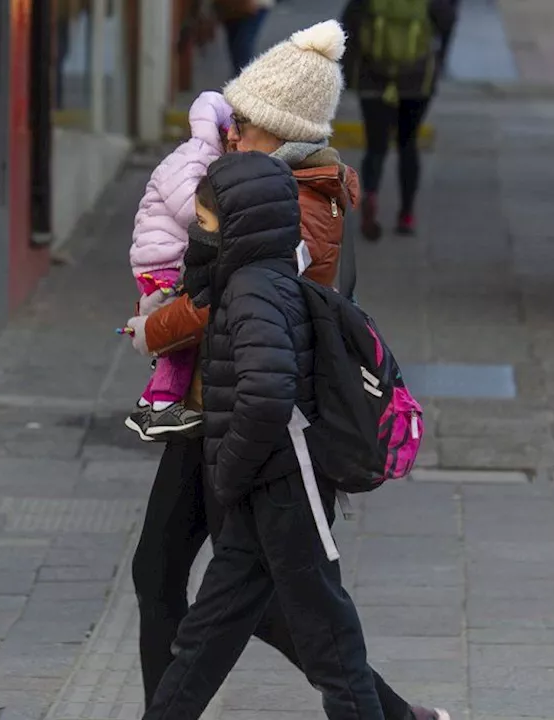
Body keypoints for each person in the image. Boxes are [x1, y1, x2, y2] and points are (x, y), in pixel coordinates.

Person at [124, 20, 450, 720]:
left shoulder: (291, 204)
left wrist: (155, 326)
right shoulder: (272, 185)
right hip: (228, 409)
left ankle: (391, 713)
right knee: (211, 584)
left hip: (250, 422)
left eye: (243, 119)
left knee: (258, 594)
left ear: (277, 126)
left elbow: (241, 307)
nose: (230, 130)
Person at [141, 151, 374, 720]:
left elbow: (268, 394)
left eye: (207, 221)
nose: (198, 232)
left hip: (284, 482)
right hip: (262, 482)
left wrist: (229, 470)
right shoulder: (256, 280)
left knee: (326, 634)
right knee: (209, 632)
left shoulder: (252, 290)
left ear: (240, 223)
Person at [125, 91, 233, 441]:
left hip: (159, 257)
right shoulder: (195, 157)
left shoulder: (199, 156)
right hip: (163, 261)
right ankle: (165, 406)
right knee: (179, 336)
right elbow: (189, 208)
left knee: (171, 326)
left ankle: (148, 401)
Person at [342, 0, 458, 239]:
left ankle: (371, 193)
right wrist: (439, 60)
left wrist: (352, 68)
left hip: (373, 78)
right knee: (408, 143)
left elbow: (349, 23)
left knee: (375, 146)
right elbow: (447, 22)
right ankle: (406, 214)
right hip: (417, 78)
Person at [212, 0, 276, 74]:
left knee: (242, 47)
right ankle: (241, 76)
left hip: (251, 6)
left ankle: (244, 77)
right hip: (229, 8)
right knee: (236, 47)